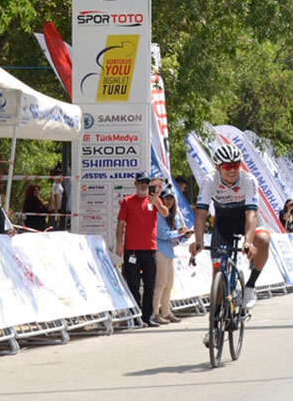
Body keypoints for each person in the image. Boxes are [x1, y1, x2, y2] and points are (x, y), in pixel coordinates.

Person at [189, 144, 272, 345]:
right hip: (223, 222)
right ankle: (214, 326)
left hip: (245, 220)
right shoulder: (209, 181)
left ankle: (250, 285)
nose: (233, 169)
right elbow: (201, 215)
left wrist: (248, 242)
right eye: (227, 166)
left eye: (236, 164)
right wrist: (198, 241)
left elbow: (251, 215)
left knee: (263, 240)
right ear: (218, 167)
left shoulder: (248, 180)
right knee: (217, 271)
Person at [116, 173, 168, 326]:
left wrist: (157, 203)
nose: (144, 185)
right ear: (135, 183)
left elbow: (165, 213)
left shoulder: (154, 199)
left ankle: (147, 316)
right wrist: (119, 243)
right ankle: (135, 316)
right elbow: (120, 224)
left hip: (150, 249)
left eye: (146, 182)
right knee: (133, 284)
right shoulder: (127, 201)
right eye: (141, 182)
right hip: (132, 250)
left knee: (149, 284)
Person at [153, 180, 191, 324]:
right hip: (159, 250)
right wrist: (178, 232)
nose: (169, 202)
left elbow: (175, 239)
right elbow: (162, 234)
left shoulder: (172, 216)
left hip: (168, 251)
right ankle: (155, 313)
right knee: (160, 283)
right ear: (161, 200)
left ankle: (166, 312)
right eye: (166, 198)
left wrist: (184, 235)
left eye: (171, 199)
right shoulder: (158, 214)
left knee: (168, 285)